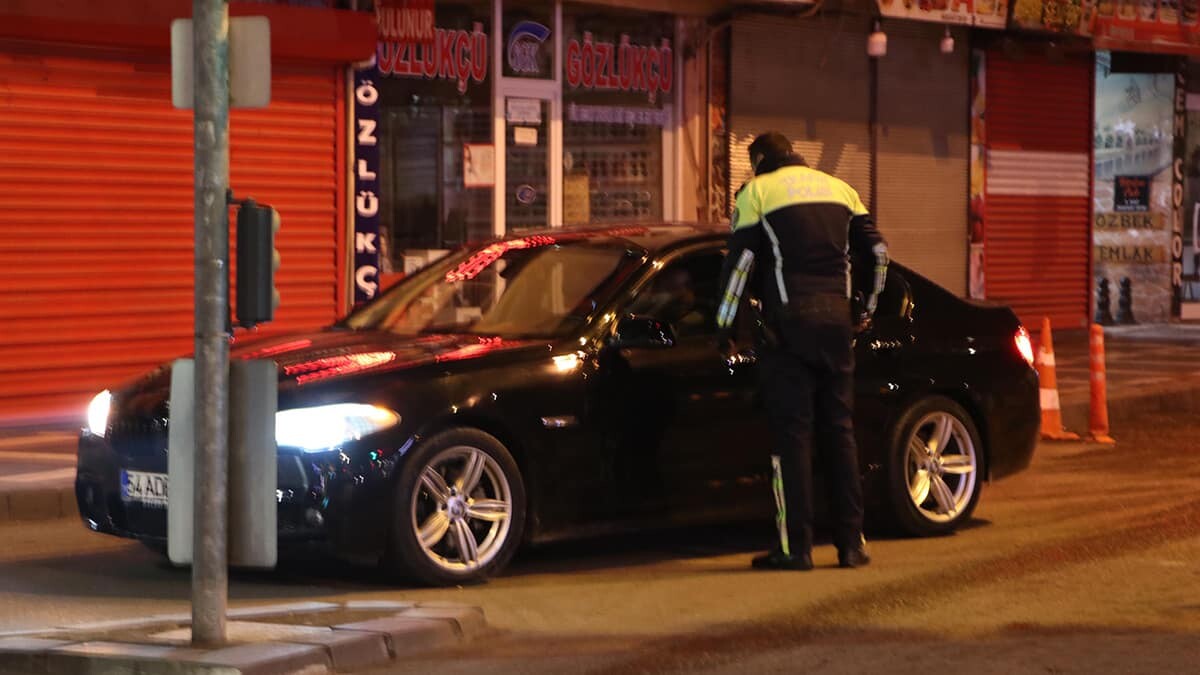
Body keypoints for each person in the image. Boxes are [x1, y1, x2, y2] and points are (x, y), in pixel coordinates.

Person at [716, 132, 888, 570]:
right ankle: (852, 546)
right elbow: (879, 254)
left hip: (787, 329)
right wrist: (864, 309)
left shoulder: (758, 192)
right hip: (837, 327)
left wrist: (724, 327)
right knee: (839, 434)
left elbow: (738, 267)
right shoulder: (840, 188)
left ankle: (795, 549)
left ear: (758, 161)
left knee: (791, 440)